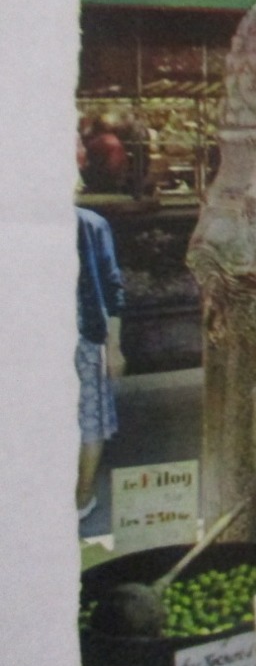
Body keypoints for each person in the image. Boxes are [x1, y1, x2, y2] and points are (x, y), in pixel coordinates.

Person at [76, 206, 124, 519]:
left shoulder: (90, 225)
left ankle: (82, 494)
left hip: (84, 337)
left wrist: (114, 345)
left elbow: (111, 286)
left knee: (89, 421)